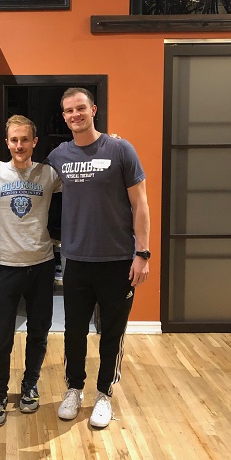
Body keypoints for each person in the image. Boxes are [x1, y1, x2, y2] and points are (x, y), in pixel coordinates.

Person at [45, 87, 150, 428]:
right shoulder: (59, 155)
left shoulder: (120, 149)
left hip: (118, 260)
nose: (75, 115)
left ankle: (104, 393)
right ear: (64, 117)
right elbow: (29, 175)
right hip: (75, 260)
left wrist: (142, 253)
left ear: (93, 110)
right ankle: (74, 389)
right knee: (74, 331)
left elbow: (140, 204)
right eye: (68, 111)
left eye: (80, 108)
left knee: (112, 332)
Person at [0, 115, 62, 426]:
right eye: (14, 140)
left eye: (24, 139)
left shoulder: (48, 174)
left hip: (42, 264)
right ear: (7, 142)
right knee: (0, 336)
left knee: (38, 332)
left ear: (34, 142)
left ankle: (30, 385)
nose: (19, 145)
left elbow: (86, 179)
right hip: (6, 266)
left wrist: (111, 147)